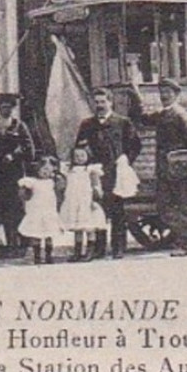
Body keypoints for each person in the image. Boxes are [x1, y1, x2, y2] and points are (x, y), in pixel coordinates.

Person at [74, 87, 143, 259]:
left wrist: (126, 159)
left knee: (117, 211)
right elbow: (80, 147)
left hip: (115, 172)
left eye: (103, 102)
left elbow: (135, 145)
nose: (100, 105)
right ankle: (98, 248)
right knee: (97, 211)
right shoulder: (87, 125)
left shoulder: (122, 122)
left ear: (110, 102)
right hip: (96, 173)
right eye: (96, 102)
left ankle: (119, 248)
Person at [147, 77, 187, 256]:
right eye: (162, 92)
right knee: (164, 208)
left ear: (176, 95)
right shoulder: (163, 114)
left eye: (168, 92)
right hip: (166, 169)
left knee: (184, 206)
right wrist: (134, 91)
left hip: (181, 169)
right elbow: (144, 118)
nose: (164, 95)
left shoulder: (183, 116)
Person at [0, 93, 36, 250]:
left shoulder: (19, 126)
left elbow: (29, 149)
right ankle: (7, 244)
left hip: (15, 174)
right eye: (2, 107)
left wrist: (14, 155)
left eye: (9, 107)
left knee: (17, 207)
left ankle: (22, 243)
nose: (6, 110)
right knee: (0, 207)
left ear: (13, 108)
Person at [59, 142, 107, 260]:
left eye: (82, 155)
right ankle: (77, 252)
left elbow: (96, 186)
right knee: (78, 228)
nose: (79, 159)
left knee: (89, 227)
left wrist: (95, 198)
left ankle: (90, 252)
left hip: (87, 201)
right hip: (74, 200)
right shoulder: (70, 170)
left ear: (87, 156)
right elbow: (65, 184)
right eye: (76, 156)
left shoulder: (90, 170)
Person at [17, 155, 65, 265]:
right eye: (43, 169)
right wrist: (24, 190)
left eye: (48, 170)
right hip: (36, 211)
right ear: (37, 170)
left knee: (49, 234)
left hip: (49, 211)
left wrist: (58, 176)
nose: (45, 172)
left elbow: (61, 188)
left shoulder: (52, 182)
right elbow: (24, 194)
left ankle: (49, 255)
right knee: (36, 234)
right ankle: (37, 255)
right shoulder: (32, 182)